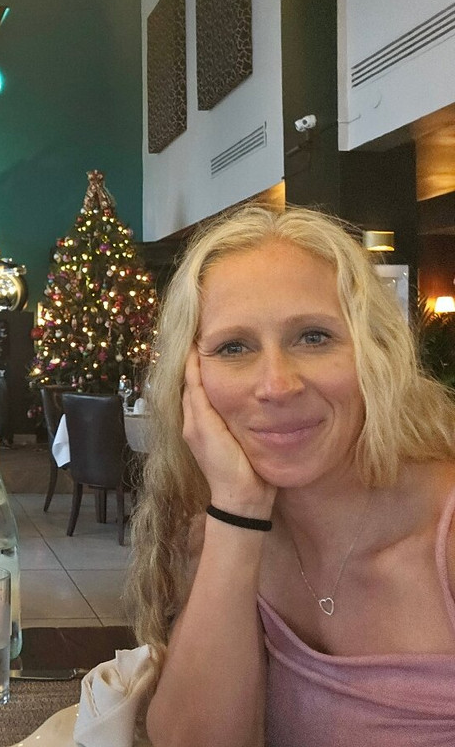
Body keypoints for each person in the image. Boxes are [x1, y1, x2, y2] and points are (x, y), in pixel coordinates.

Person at [125, 204, 455, 746]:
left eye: (313, 337)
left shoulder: (444, 537)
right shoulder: (216, 534)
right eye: (234, 347)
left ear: (375, 352)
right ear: (191, 379)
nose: (277, 385)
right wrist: (239, 511)